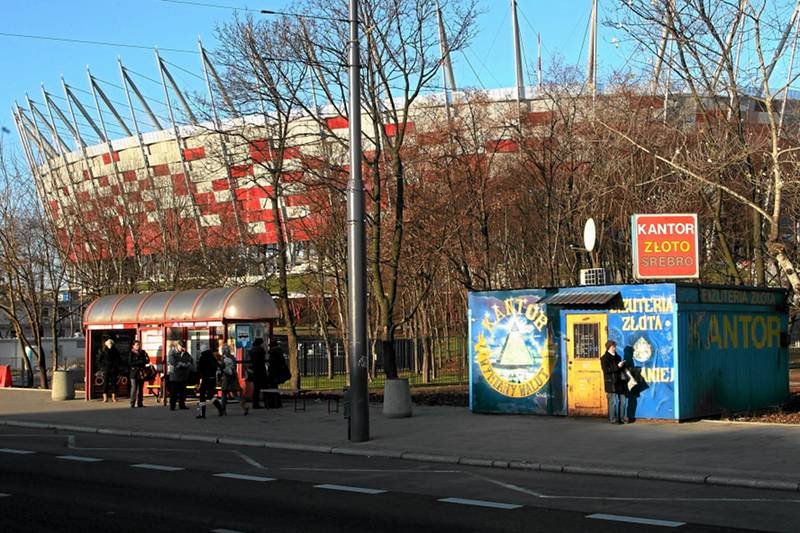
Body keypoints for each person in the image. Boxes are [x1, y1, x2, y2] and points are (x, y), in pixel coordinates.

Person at [600, 340, 629, 424]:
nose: (615, 348)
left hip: (620, 381)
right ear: (609, 347)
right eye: (613, 347)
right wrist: (618, 366)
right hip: (611, 382)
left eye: (615, 346)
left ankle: (622, 417)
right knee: (613, 402)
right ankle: (613, 419)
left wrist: (623, 365)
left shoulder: (618, 357)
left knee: (623, 401)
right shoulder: (604, 358)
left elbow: (621, 369)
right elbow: (606, 370)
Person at [218, 343, 242, 416]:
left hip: (226, 377)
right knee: (234, 394)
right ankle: (244, 406)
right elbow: (235, 366)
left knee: (224, 394)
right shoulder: (233, 357)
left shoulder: (223, 358)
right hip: (233, 377)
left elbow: (222, 367)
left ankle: (223, 410)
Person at [265, 340, 290, 408]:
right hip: (278, 372)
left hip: (274, 372)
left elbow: (273, 363)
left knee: (273, 387)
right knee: (275, 387)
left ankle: (274, 403)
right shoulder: (279, 352)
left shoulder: (274, 352)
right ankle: (277, 403)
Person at [168, 340, 193, 410]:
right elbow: (173, 362)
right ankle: (172, 406)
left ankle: (182, 405)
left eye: (184, 347)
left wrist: (185, 364)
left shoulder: (185, 353)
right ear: (178, 345)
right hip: (175, 376)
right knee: (174, 392)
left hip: (183, 376)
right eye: (182, 347)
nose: (183, 348)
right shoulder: (172, 352)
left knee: (183, 392)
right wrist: (183, 364)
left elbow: (190, 360)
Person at [195, 343, 218, 419]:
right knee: (211, 395)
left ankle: (202, 414)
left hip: (205, 379)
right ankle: (220, 408)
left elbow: (200, 370)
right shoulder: (212, 357)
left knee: (202, 395)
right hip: (212, 379)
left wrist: (198, 381)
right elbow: (217, 366)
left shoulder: (202, 358)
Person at [98, 338, 120, 403]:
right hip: (106, 369)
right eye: (109, 343)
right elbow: (99, 360)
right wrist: (102, 367)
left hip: (113, 369)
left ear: (112, 344)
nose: (110, 344)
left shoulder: (115, 351)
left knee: (114, 383)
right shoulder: (103, 351)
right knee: (105, 383)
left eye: (111, 343)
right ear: (106, 344)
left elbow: (118, 359)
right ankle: (105, 398)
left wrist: (116, 366)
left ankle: (114, 398)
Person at [247, 338, 267, 409]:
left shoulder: (251, 350)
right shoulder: (260, 350)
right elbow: (262, 360)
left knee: (256, 389)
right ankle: (266, 402)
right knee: (265, 387)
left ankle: (255, 404)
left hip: (254, 371)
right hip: (260, 371)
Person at [128, 340, 149, 408]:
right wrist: (140, 362)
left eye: (139, 345)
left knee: (140, 388)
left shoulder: (143, 352)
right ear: (133, 346)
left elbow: (147, 360)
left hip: (141, 372)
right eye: (136, 345)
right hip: (134, 373)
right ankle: (132, 403)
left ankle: (140, 403)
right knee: (134, 387)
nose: (138, 346)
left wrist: (141, 361)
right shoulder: (131, 353)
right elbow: (130, 363)